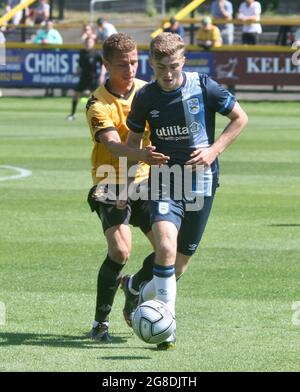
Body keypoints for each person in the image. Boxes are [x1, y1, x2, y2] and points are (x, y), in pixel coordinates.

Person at [111, 32, 248, 349]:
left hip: (201, 184)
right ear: (152, 65)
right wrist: (129, 184)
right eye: (161, 68)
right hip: (165, 182)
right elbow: (132, 145)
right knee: (166, 249)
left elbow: (240, 118)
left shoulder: (203, 86)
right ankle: (167, 327)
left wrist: (214, 151)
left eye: (173, 66)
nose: (168, 74)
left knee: (178, 268)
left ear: (183, 61)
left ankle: (135, 288)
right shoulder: (146, 97)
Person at [85, 33, 168, 343]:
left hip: (144, 180)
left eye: (134, 61)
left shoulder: (149, 91)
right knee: (120, 250)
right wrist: (144, 154)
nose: (130, 68)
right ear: (106, 64)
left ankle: (134, 286)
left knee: (167, 250)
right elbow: (114, 146)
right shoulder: (97, 103)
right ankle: (99, 324)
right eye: (122, 64)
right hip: (110, 182)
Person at [67, 37, 105, 120]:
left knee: (94, 97)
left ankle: (100, 115)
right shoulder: (82, 53)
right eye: (87, 42)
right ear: (85, 43)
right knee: (75, 95)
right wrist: (75, 74)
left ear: (93, 44)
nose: (88, 44)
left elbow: (103, 64)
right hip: (83, 78)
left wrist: (102, 75)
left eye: (90, 42)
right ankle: (72, 114)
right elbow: (80, 66)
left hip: (93, 79)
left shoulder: (96, 53)